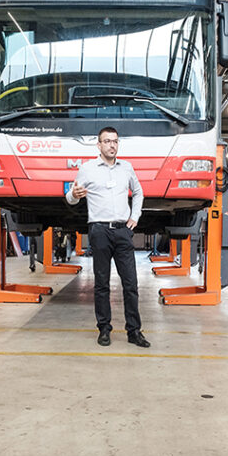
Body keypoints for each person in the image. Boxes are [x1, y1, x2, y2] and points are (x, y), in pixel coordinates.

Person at [65, 127, 150, 348]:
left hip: (123, 231)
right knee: (101, 284)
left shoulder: (127, 168)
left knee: (130, 283)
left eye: (115, 141)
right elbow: (71, 197)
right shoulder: (87, 169)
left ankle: (134, 331)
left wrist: (135, 217)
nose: (112, 145)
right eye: (107, 141)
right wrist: (73, 195)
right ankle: (104, 329)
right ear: (99, 145)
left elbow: (139, 192)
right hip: (99, 231)